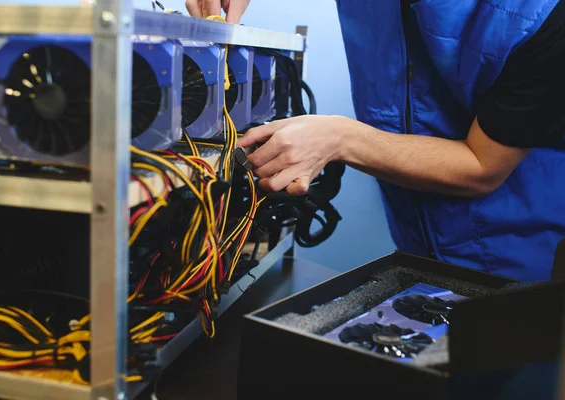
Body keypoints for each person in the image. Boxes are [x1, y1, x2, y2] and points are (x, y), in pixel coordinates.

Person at [185, 0, 565, 282]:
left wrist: (341, 138)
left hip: (517, 257)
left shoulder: (541, 14)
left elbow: (483, 166)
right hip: (415, 242)